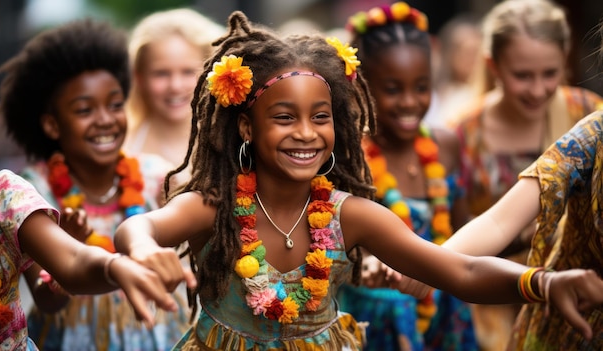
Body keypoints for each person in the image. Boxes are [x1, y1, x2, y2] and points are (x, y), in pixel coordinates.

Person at [112, 11, 603, 351]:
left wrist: (542, 282)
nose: (305, 133)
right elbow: (140, 228)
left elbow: (462, 272)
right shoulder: (215, 206)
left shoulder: (352, 215)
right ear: (246, 126)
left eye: (320, 117)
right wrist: (142, 249)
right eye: (284, 117)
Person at [0, 19, 192, 350]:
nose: (105, 119)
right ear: (52, 124)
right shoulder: (32, 192)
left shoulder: (158, 176)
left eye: (115, 105)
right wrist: (64, 262)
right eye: (85, 109)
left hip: (161, 335)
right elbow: (47, 301)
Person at [450, 1, 603, 349]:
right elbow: (477, 224)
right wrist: (426, 265)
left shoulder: (585, 109)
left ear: (566, 61)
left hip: (570, 296)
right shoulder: (461, 134)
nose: (537, 90)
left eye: (549, 74)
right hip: (488, 294)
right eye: (523, 76)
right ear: (494, 67)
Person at [337, 3, 476, 350]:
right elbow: (333, 244)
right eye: (394, 89)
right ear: (362, 87)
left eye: (422, 86)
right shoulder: (350, 156)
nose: (410, 102)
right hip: (380, 316)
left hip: (446, 309)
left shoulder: (444, 145)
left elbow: (461, 227)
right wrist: (365, 266)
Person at [124, 8, 224, 175]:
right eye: (161, 73)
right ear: (139, 77)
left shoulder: (232, 142)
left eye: (188, 72)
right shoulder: (124, 147)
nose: (175, 86)